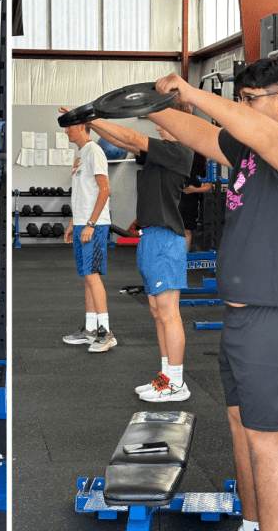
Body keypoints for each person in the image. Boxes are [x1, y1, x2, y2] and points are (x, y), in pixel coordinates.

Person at [149, 56, 278, 531]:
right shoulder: (251, 152)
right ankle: (252, 523)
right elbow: (202, 135)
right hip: (245, 317)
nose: (240, 108)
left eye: (250, 99)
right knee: (243, 429)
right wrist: (145, 105)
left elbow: (254, 131)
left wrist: (191, 92)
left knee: (268, 443)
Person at [82, 102, 195, 402]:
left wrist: (94, 116)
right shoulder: (161, 153)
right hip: (151, 237)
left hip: (166, 239)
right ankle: (166, 376)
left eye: (164, 121)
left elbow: (132, 137)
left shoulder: (179, 151)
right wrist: (92, 123)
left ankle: (177, 381)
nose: (158, 125)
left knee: (169, 314)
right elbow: (120, 142)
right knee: (158, 313)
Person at [59, 120, 116, 353]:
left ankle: (106, 332)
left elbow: (105, 189)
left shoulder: (95, 151)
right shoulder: (81, 155)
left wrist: (91, 223)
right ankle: (91, 330)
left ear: (82, 127)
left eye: (69, 127)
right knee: (86, 276)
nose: (66, 131)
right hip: (83, 222)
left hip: (95, 224)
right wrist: (74, 223)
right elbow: (83, 195)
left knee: (92, 276)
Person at [179, 151, 214, 251]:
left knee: (187, 229)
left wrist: (194, 189)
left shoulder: (200, 163)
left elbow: (208, 187)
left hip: (190, 201)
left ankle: (183, 257)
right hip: (176, 198)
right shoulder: (177, 161)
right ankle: (177, 257)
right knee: (176, 229)